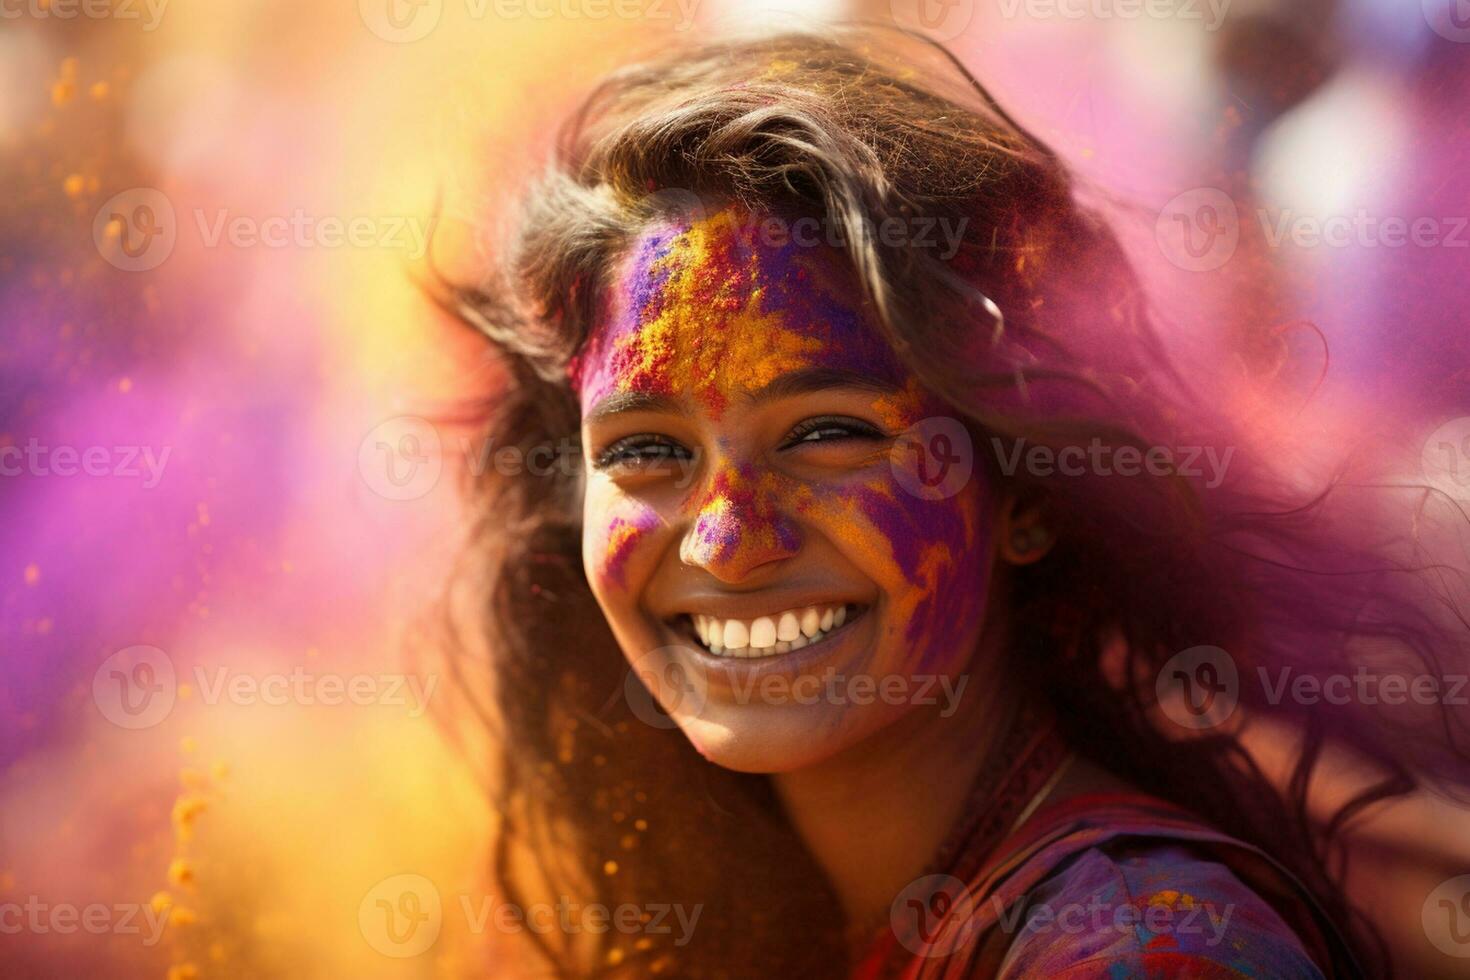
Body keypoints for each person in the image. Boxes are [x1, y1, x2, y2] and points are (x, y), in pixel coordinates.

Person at [429, 27, 1466, 978]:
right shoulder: (763, 915)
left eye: (829, 433)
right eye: (648, 450)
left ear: (1019, 491)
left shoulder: (1148, 949)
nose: (732, 539)